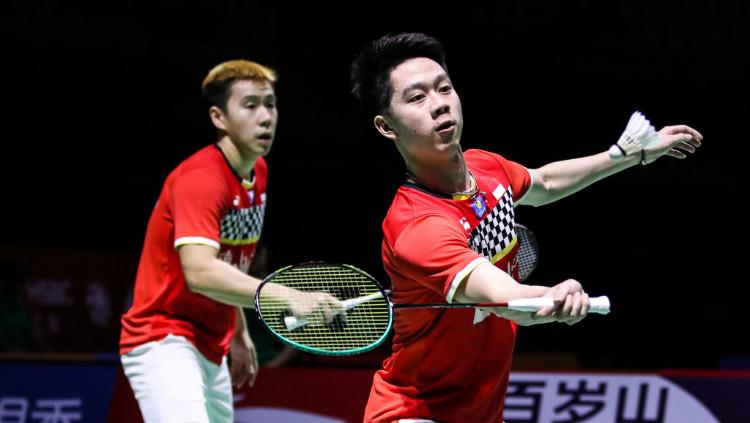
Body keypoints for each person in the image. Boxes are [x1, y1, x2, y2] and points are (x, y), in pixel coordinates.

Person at [349, 33, 702, 423]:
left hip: (480, 410)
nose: (439, 104)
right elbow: (507, 298)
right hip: (414, 412)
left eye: (444, 88)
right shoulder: (418, 227)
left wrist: (627, 154)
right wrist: (551, 295)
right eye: (416, 98)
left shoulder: (484, 167)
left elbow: (545, 183)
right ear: (386, 126)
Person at [119, 60, 339, 423]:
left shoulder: (257, 173)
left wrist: (237, 331)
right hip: (163, 337)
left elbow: (228, 261)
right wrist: (289, 297)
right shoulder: (202, 179)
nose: (266, 116)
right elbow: (201, 272)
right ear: (219, 118)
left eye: (270, 103)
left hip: (208, 343)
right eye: (250, 105)